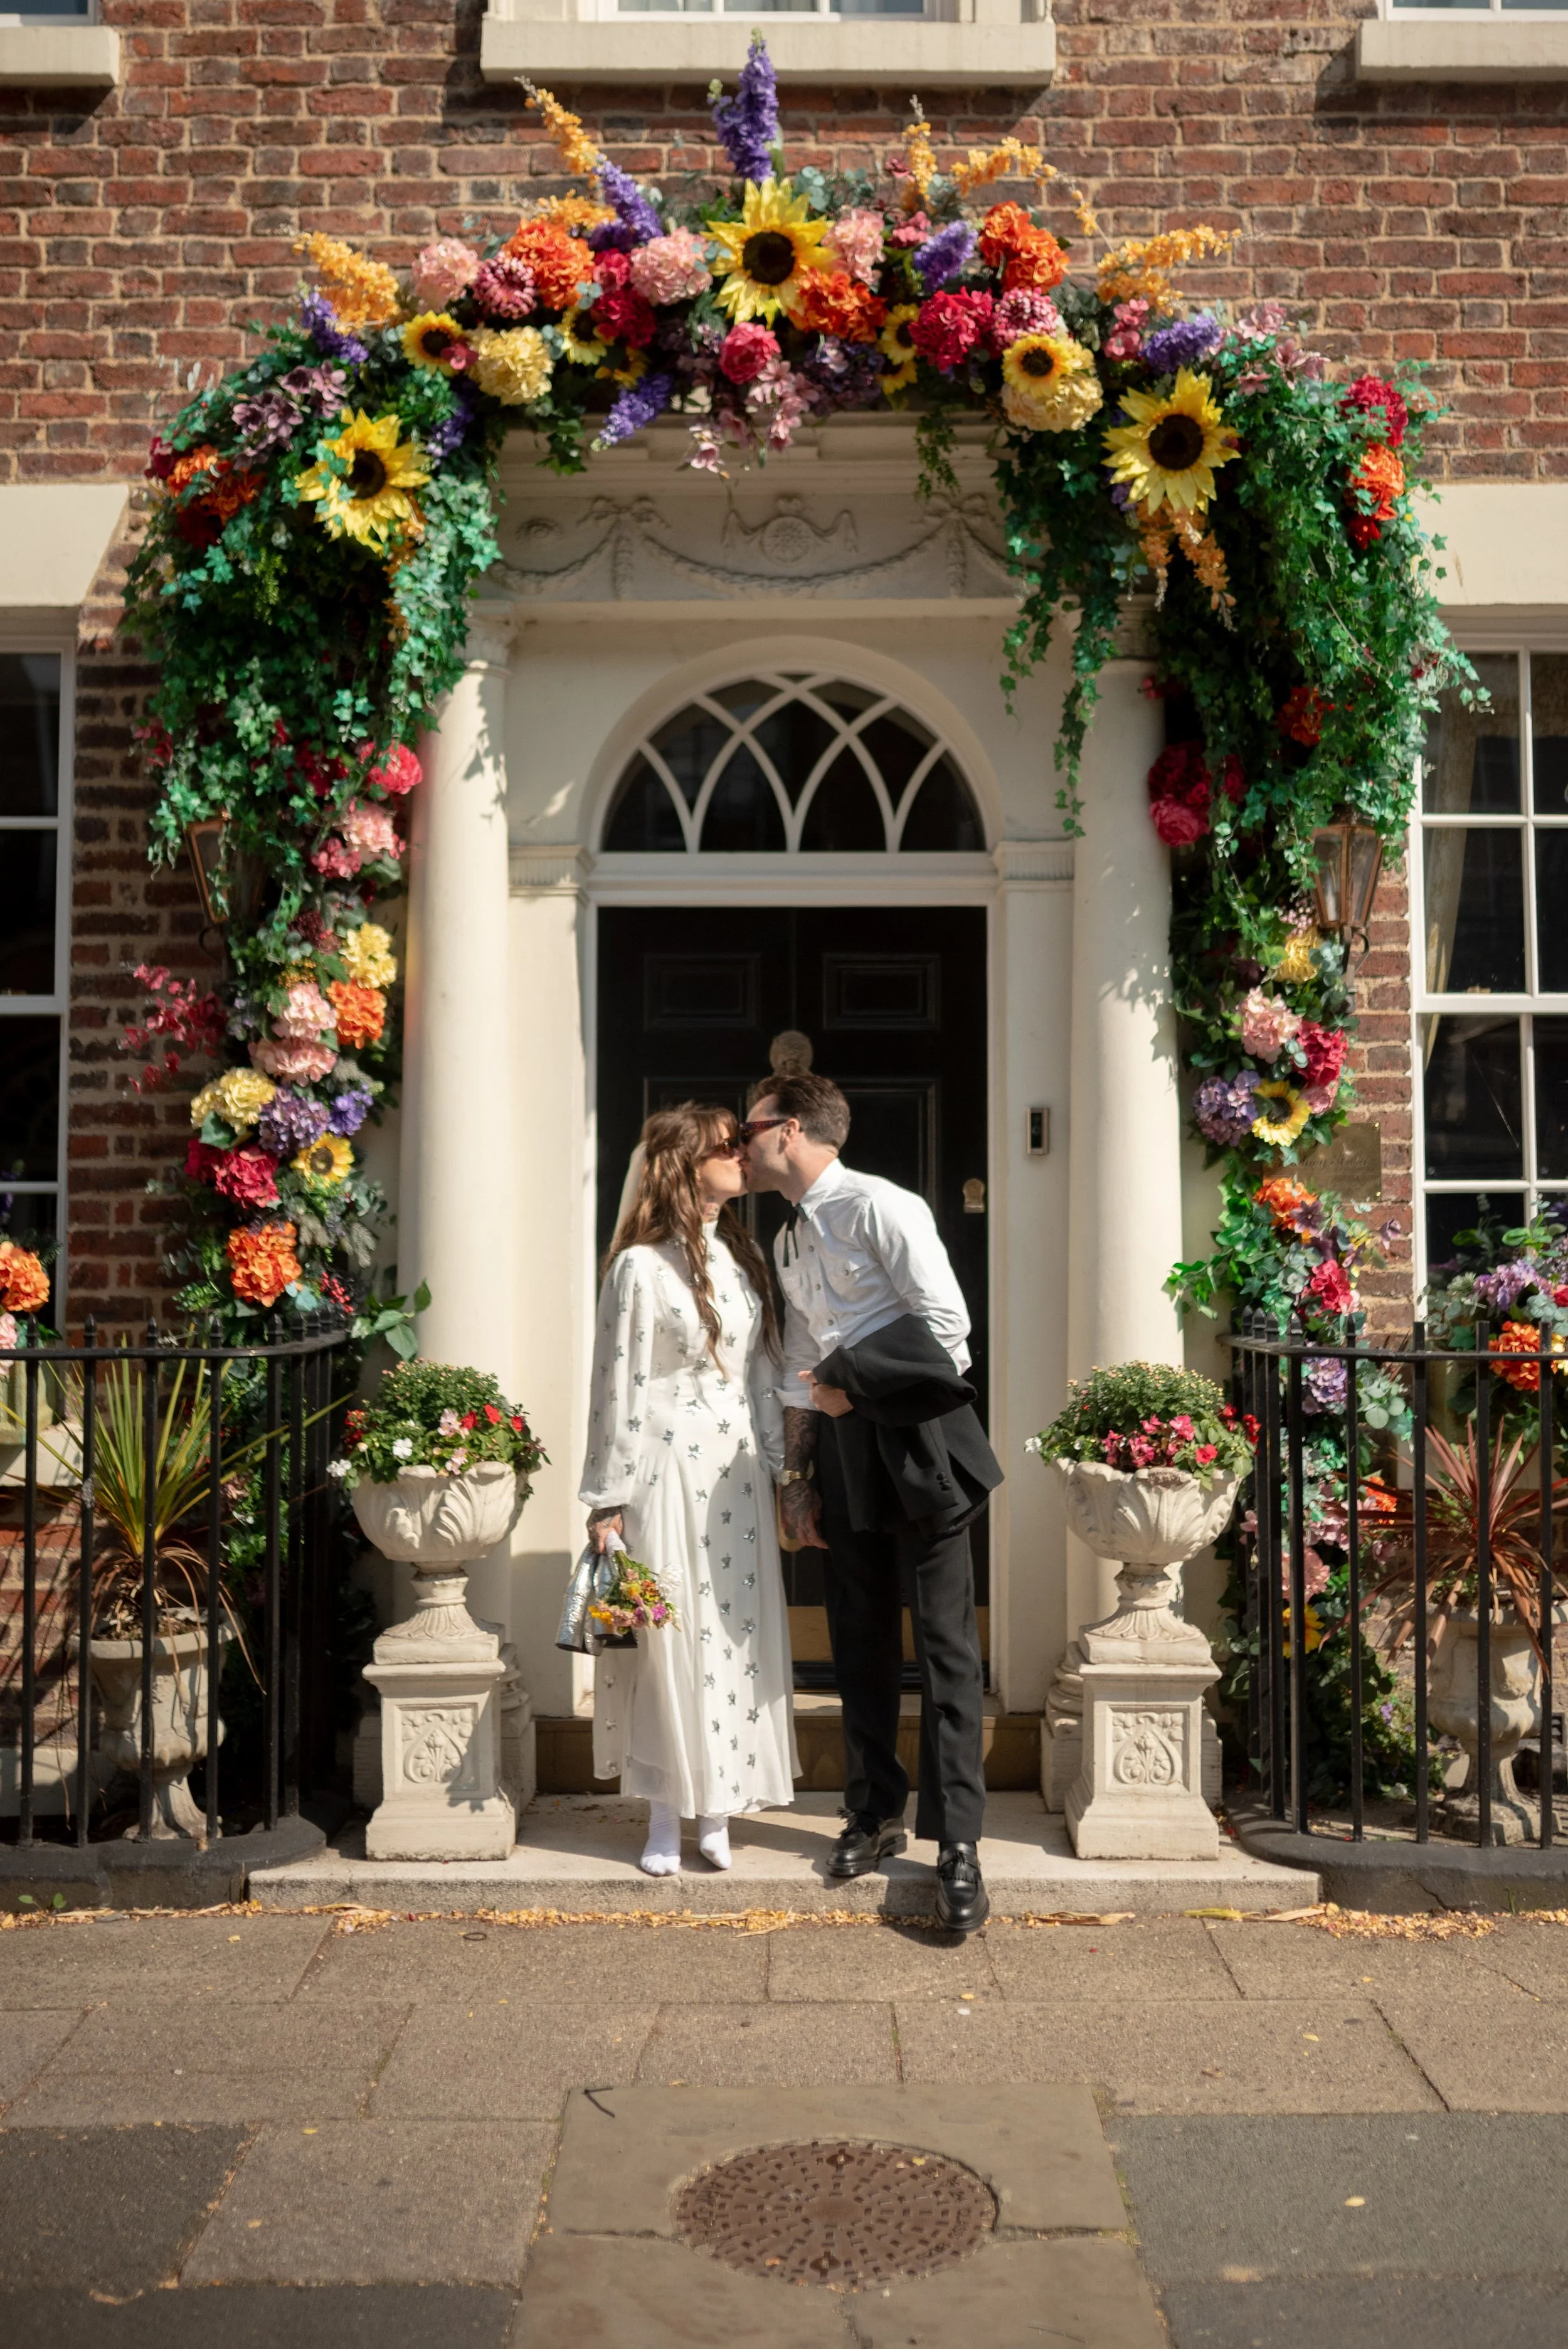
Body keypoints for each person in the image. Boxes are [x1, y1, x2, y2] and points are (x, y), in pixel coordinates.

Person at [742, 1072, 1001, 1934]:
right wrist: (795, 1477)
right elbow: (797, 1365)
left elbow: (950, 1331)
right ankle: (874, 1811)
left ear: (789, 1130)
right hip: (845, 1450)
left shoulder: (882, 1209)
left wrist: (849, 1382)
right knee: (857, 1641)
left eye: (750, 1126)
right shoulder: (786, 1241)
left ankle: (958, 1843)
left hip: (920, 1438)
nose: (740, 1143)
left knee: (945, 1647)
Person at [580, 1102, 798, 1877]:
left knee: (730, 1637)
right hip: (663, 1473)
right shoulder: (639, 1267)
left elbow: (762, 1375)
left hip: (734, 1475)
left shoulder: (741, 1260)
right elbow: (618, 1385)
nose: (743, 1154)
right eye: (726, 1145)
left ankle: (720, 1808)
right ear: (683, 1161)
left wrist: (782, 1470)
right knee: (667, 1640)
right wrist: (608, 1499)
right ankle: (665, 1813)